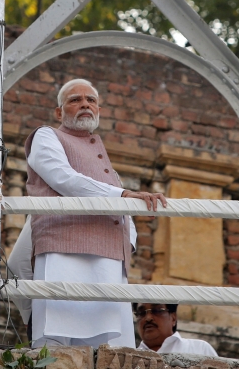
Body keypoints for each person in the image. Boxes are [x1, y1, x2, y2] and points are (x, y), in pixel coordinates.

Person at [25, 78, 167, 348]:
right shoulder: (46, 135)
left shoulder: (105, 162)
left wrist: (127, 243)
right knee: (56, 345)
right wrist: (122, 195)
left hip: (110, 258)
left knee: (110, 350)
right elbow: (63, 178)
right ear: (59, 112)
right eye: (75, 100)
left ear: (98, 110)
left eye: (91, 100)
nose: (85, 104)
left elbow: (121, 206)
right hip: (63, 249)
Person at [134, 304, 218, 356]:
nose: (148, 318)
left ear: (173, 318)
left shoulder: (199, 350)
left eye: (157, 311)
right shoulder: (130, 356)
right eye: (141, 313)